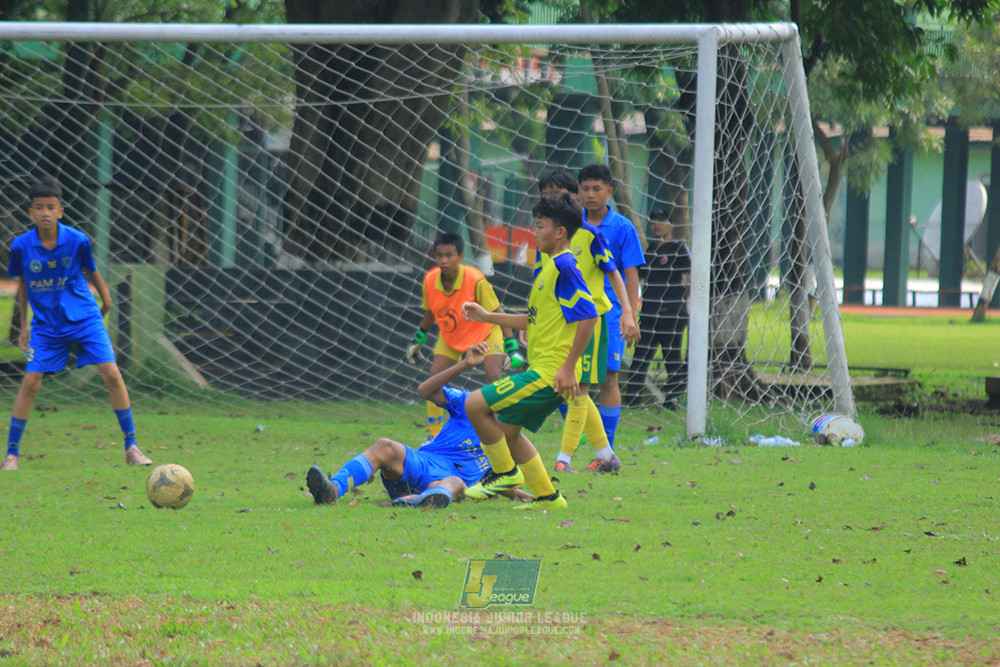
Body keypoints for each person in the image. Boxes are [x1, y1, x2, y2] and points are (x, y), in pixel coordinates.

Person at [2, 179, 151, 471]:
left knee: (111, 373)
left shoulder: (77, 240)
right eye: (39, 207)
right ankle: (11, 454)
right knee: (31, 381)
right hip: (45, 324)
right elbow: (22, 284)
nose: (45, 212)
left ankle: (132, 447)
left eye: (51, 207)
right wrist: (23, 325)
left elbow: (91, 271)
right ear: (30, 212)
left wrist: (106, 302)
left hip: (84, 316)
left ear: (60, 210)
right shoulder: (21, 246)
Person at [461, 193, 599, 510]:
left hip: (550, 374)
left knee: (474, 404)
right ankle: (549, 499)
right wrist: (488, 317)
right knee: (508, 432)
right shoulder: (549, 268)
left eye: (539, 226)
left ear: (559, 232)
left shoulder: (564, 264)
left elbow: (589, 314)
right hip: (542, 370)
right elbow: (534, 318)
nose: (534, 232)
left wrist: (568, 368)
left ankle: (504, 473)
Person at [306, 342, 531, 508]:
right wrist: (464, 365)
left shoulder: (510, 436)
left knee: (454, 482)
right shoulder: (469, 403)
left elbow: (505, 482)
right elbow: (425, 391)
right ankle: (333, 489)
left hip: (447, 481)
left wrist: (537, 497)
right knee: (385, 446)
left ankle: (422, 500)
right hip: (422, 463)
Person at [535, 170, 638, 474]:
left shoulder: (592, 234)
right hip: (560, 323)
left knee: (581, 387)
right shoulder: (547, 237)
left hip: (590, 320)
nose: (552, 200)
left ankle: (564, 460)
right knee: (574, 388)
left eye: (559, 194)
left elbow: (616, 272)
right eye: (547, 195)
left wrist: (629, 311)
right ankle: (605, 454)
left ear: (572, 198)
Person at [405, 232, 523, 437]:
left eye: (449, 255)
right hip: (452, 333)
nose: (443, 260)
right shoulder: (430, 280)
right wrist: (419, 339)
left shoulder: (476, 279)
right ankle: (434, 433)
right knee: (435, 377)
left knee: (494, 377)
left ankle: (496, 432)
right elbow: (430, 311)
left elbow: (497, 311)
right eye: (439, 255)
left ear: (460, 256)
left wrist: (511, 346)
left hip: (485, 332)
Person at [577, 163, 645, 449]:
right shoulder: (571, 223)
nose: (590, 195)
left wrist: (630, 315)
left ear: (609, 191)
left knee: (608, 377)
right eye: (585, 189)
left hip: (611, 312)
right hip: (577, 311)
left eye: (596, 189)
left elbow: (630, 274)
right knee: (576, 380)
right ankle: (582, 439)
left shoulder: (622, 227)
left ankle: (608, 446)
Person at [624, 209, 691, 408]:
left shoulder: (679, 249)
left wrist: (687, 300)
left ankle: (671, 401)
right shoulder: (649, 251)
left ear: (670, 226)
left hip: (672, 315)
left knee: (672, 359)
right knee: (640, 358)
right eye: (653, 222)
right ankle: (632, 401)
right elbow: (638, 277)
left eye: (660, 222)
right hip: (649, 314)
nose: (656, 226)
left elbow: (691, 275)